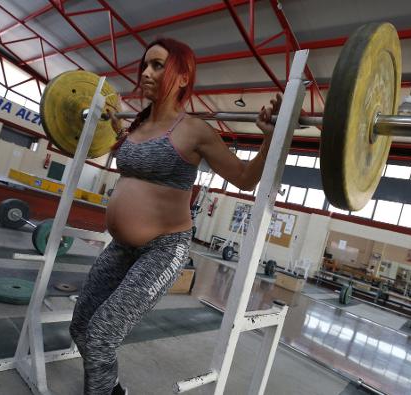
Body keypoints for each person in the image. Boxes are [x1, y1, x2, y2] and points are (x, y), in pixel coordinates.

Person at [68, 37, 281, 395]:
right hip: (121, 248)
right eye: (145, 64)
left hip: (163, 251)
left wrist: (270, 139)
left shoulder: (194, 130)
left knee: (101, 336)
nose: (146, 72)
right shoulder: (136, 125)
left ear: (182, 78)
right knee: (81, 328)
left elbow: (245, 178)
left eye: (158, 65)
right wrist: (112, 121)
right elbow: (131, 156)